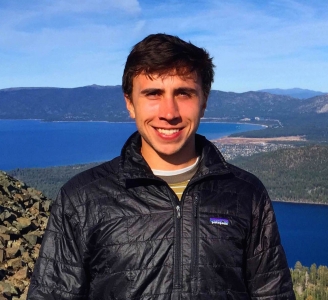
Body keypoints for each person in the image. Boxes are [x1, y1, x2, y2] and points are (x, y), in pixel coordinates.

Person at [27, 33, 295, 299]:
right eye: (153, 93)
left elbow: (273, 294)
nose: (169, 113)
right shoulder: (82, 198)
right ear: (130, 103)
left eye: (184, 93)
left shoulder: (245, 194)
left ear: (204, 102)